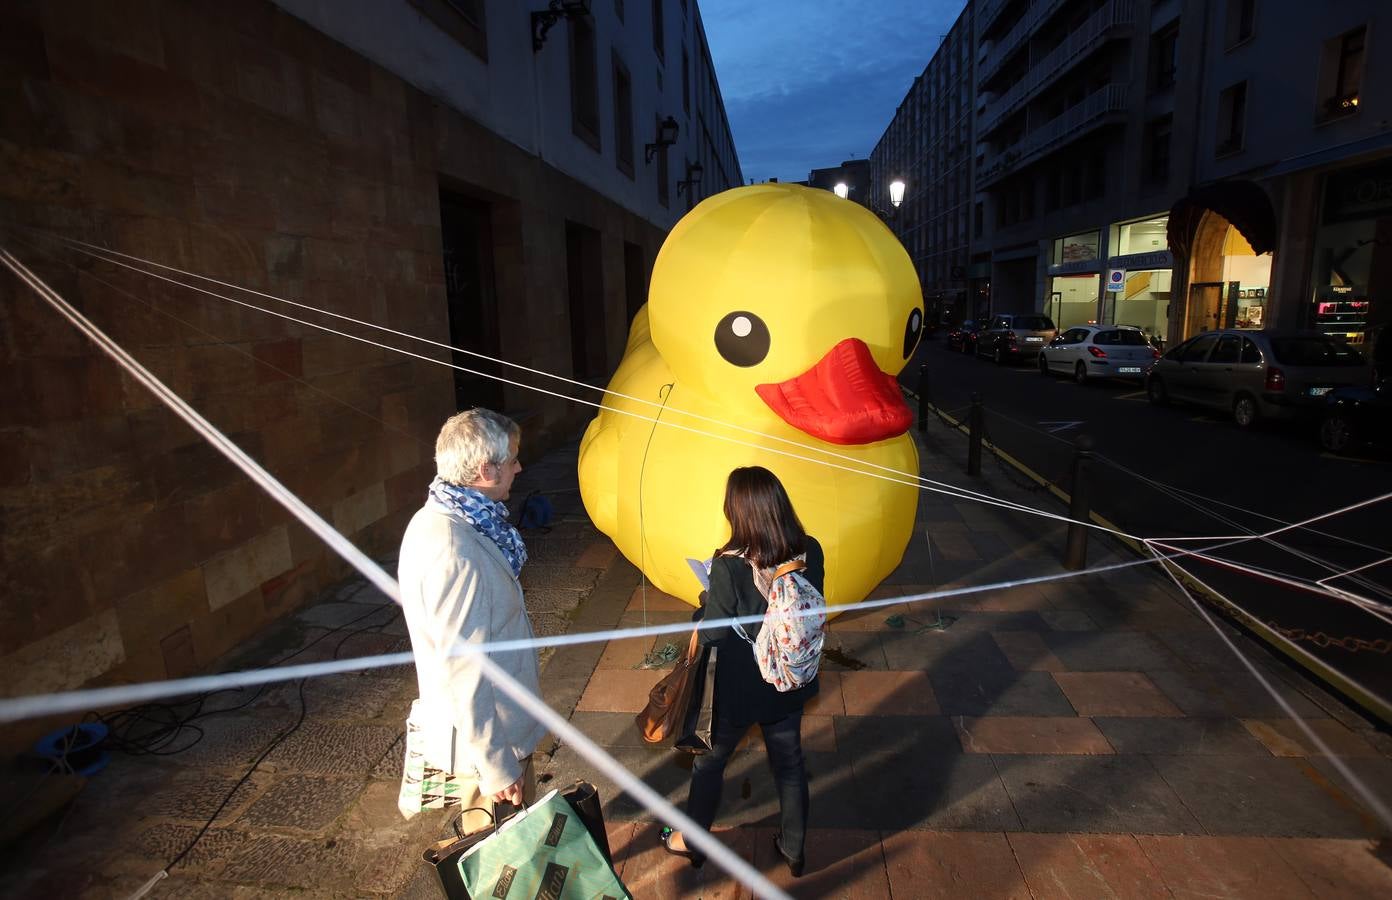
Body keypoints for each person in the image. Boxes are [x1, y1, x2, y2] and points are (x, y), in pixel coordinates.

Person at [660, 466, 824, 877]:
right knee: (789, 763)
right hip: (789, 680)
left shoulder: (729, 564)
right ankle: (794, 849)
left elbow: (714, 632)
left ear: (737, 512)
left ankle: (692, 840)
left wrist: (708, 598)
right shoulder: (811, 550)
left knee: (709, 763)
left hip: (739, 691)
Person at [396, 408, 544, 833]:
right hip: (493, 742)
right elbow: (464, 669)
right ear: (485, 470)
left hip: (492, 733)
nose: (519, 466)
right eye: (513, 458)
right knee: (503, 860)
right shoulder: (455, 550)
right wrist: (497, 768)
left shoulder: (442, 516)